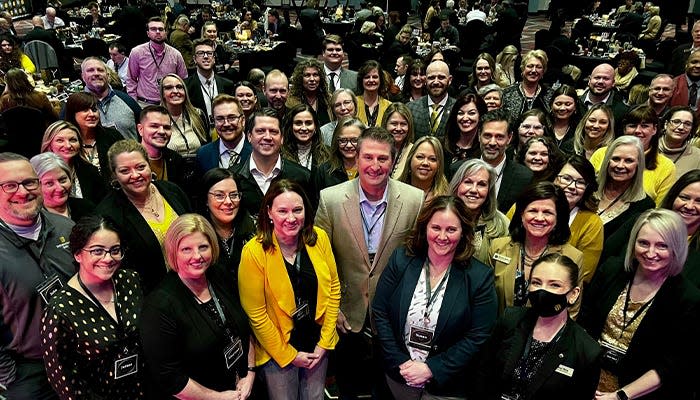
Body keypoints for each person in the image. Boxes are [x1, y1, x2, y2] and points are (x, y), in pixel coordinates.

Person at [315, 127, 424, 399]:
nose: (375, 166)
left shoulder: (413, 199)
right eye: (368, 157)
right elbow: (319, 261)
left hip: (393, 316)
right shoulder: (331, 199)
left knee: (389, 391)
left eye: (383, 159)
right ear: (356, 157)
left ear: (394, 160)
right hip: (346, 315)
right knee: (349, 388)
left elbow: (417, 258)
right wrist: (331, 307)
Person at [372, 195, 498, 398]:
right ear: (425, 228)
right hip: (396, 378)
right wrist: (399, 362)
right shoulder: (402, 260)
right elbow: (380, 311)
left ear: (464, 232)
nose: (442, 236)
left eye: (451, 230)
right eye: (436, 228)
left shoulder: (479, 277)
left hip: (445, 386)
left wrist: (432, 368)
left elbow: (478, 336)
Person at [579, 209, 700, 400]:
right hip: (587, 377)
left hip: (635, 392)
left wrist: (619, 396)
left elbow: (672, 365)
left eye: (662, 246)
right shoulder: (612, 269)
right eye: (643, 243)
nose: (650, 253)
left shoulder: (688, 299)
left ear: (676, 248)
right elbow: (584, 324)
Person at [239, 179, 340, 400]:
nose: (291, 218)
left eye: (297, 210)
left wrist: (325, 341)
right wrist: (289, 355)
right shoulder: (254, 251)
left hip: (316, 345)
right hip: (279, 350)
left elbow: (333, 289)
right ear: (269, 213)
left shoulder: (318, 238)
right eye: (282, 211)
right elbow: (256, 315)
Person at [140, 214, 255, 399]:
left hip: (240, 387)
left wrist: (250, 372)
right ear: (173, 252)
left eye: (203, 247)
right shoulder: (159, 306)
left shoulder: (219, 275)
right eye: (186, 249)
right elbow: (170, 377)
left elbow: (243, 326)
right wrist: (219, 398)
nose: (197, 256)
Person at [41, 215, 145, 399]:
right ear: (78, 254)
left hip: (145, 389)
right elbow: (66, 384)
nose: (108, 258)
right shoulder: (60, 310)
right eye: (97, 251)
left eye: (115, 250)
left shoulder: (130, 281)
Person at [473, 253, 601, 400]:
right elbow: (483, 372)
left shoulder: (586, 350)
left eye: (555, 285)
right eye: (536, 283)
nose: (543, 291)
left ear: (573, 294)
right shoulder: (510, 319)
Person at [0, 152, 75, 400]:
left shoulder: (67, 229)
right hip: (29, 375)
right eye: (10, 185)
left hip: (82, 359)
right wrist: (8, 375)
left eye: (29, 182)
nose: (23, 191)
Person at [96, 139, 191, 293]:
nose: (135, 175)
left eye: (141, 167)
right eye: (125, 171)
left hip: (193, 280)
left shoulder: (172, 191)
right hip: (154, 295)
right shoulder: (109, 215)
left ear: (149, 165)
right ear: (114, 175)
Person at [488, 181, 584, 315]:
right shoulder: (497, 247)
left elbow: (571, 310)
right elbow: (483, 298)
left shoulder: (573, 257)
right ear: (521, 214)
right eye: (533, 210)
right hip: (497, 330)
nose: (539, 218)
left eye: (547, 212)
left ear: (558, 218)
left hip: (544, 332)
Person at [231, 109, 310, 219]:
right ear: (249, 136)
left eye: (273, 131)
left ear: (282, 138)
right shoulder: (233, 177)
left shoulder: (302, 176)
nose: (267, 137)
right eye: (260, 131)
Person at [590, 105, 676, 207]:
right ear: (624, 129)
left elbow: (659, 210)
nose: (638, 131)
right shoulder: (601, 154)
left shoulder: (666, 167)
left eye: (644, 126)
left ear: (654, 129)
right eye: (632, 125)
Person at [593, 136, 656, 239]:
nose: (620, 165)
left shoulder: (645, 206)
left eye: (629, 161)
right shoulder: (588, 187)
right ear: (607, 160)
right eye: (616, 159)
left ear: (638, 165)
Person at [200, 168, 256, 277]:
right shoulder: (198, 235)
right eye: (219, 196)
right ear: (206, 200)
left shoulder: (255, 230)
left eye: (234, 195)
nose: (228, 202)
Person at [40, 120, 107, 204]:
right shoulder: (38, 172)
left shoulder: (90, 171)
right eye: (60, 140)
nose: (68, 145)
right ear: (49, 144)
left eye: (73, 140)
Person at [127, 17, 188, 106]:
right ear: (148, 33)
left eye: (161, 29)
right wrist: (134, 104)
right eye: (153, 29)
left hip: (169, 104)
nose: (158, 32)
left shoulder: (176, 54)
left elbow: (183, 80)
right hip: (144, 103)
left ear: (166, 32)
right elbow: (131, 79)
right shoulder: (137, 53)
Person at [80, 57, 141, 140]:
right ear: (83, 76)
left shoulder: (127, 100)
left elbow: (144, 130)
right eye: (90, 70)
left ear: (108, 75)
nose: (96, 73)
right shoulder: (74, 105)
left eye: (100, 70)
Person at [65, 92, 123, 175]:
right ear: (73, 114)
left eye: (94, 110)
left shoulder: (112, 135)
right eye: (85, 110)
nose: (92, 114)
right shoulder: (66, 142)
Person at [29, 152, 95, 222]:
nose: (59, 188)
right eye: (49, 183)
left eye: (62, 180)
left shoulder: (86, 208)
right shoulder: (33, 219)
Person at [311, 117, 366, 199]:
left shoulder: (371, 169)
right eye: (343, 140)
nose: (349, 145)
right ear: (336, 142)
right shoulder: (324, 170)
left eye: (354, 140)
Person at [195, 94, 251, 174]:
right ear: (213, 122)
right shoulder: (203, 154)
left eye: (232, 118)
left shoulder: (257, 152)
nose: (226, 124)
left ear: (243, 120)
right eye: (220, 119)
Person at [185, 38, 235, 124]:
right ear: (194, 59)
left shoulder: (228, 85)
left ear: (214, 58)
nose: (205, 56)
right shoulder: (186, 86)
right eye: (200, 53)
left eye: (209, 53)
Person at [159, 73, 209, 157]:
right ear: (162, 94)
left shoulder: (198, 115)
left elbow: (207, 146)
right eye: (169, 88)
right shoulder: (156, 119)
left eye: (179, 87)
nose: (175, 91)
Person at [501, 50, 553, 124]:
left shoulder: (550, 94)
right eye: (530, 66)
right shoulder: (508, 93)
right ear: (523, 68)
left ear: (543, 71)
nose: (534, 70)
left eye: (538, 67)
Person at [407, 60, 455, 138]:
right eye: (431, 78)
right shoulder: (410, 108)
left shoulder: (458, 108)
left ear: (449, 80)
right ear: (425, 80)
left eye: (441, 77)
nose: (436, 82)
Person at [443, 92, 488, 166]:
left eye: (471, 113)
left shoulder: (484, 149)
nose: (465, 118)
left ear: (481, 116)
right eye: (461, 113)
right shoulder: (443, 145)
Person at [399, 136, 449, 201]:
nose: (425, 163)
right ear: (410, 159)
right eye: (420, 157)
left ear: (439, 165)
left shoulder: (446, 198)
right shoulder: (394, 191)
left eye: (432, 159)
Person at [281, 104, 330, 170]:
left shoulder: (328, 154)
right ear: (291, 126)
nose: (304, 128)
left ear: (315, 126)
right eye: (298, 123)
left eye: (308, 123)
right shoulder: (280, 154)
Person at [579, 63, 628, 129]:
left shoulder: (622, 111)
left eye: (606, 79)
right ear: (589, 80)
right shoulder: (575, 104)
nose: (600, 82)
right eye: (597, 77)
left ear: (613, 83)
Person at [287, 59, 332, 127]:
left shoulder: (328, 99)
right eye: (307, 75)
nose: (312, 79)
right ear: (300, 78)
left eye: (315, 75)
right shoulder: (291, 101)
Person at [658, 105, 700, 178]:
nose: (681, 127)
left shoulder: (697, 156)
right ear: (666, 124)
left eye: (687, 124)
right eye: (676, 122)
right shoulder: (648, 147)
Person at [381, 102, 415, 179]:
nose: (399, 128)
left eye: (403, 124)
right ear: (385, 124)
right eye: (394, 123)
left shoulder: (414, 151)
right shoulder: (376, 148)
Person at [356, 60, 392, 128]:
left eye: (375, 77)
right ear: (361, 80)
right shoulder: (353, 103)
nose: (371, 80)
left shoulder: (389, 106)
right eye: (367, 77)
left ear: (380, 80)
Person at [549, 84, 582, 153]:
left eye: (568, 104)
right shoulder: (543, 125)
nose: (562, 108)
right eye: (558, 104)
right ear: (551, 105)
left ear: (575, 106)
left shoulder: (581, 129)